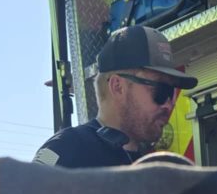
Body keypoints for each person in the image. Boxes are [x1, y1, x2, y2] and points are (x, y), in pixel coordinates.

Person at [33, 25, 197, 169]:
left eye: (172, 93)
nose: (169, 104)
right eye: (162, 91)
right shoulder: (65, 148)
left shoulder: (154, 166)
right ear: (118, 86)